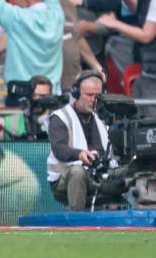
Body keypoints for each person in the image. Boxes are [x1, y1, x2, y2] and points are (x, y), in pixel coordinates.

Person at [47, 72, 116, 212]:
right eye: (89, 95)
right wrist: (79, 154)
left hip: (98, 174)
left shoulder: (104, 118)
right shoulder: (61, 117)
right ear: (76, 93)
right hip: (64, 178)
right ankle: (76, 223)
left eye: (98, 96)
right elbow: (59, 149)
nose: (94, 100)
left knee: (129, 171)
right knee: (78, 172)